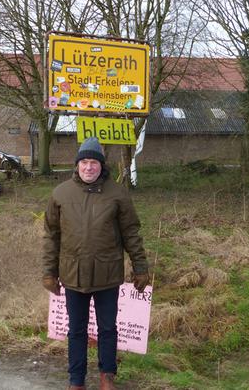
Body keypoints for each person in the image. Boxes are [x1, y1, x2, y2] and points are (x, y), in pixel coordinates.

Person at [42, 137, 150, 390]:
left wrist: (141, 267)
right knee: (76, 331)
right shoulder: (60, 194)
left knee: (108, 329)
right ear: (77, 165)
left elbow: (131, 232)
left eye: (94, 162)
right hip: (73, 274)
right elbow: (51, 236)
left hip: (107, 274)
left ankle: (107, 376)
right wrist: (49, 272)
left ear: (102, 166)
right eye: (84, 162)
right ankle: (76, 381)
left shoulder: (118, 194)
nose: (89, 167)